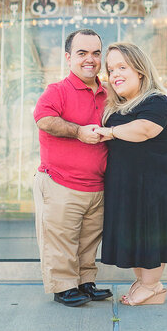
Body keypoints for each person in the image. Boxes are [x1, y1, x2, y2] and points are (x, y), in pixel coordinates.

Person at [96, 42, 167, 306]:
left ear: (140, 71)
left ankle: (153, 287)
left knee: (150, 236)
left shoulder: (156, 101)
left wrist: (110, 132)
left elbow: (144, 130)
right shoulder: (117, 105)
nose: (115, 75)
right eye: (111, 70)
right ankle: (146, 283)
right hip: (128, 184)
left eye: (122, 67)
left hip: (156, 185)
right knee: (135, 236)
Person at [31, 29, 113, 307]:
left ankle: (84, 282)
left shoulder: (108, 93)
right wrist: (78, 132)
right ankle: (63, 287)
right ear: (68, 58)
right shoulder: (58, 90)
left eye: (96, 53)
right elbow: (43, 119)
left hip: (97, 185)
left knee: (88, 240)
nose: (90, 59)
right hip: (61, 183)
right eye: (82, 53)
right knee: (61, 239)